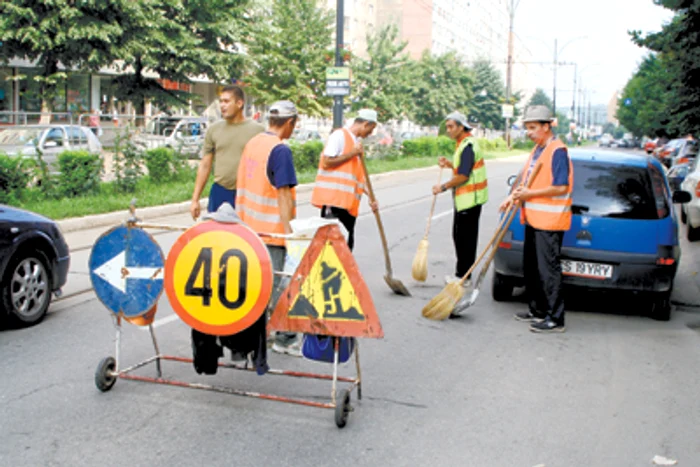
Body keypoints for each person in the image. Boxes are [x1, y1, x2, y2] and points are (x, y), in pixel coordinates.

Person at [499, 105, 573, 333]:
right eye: (527, 128)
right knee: (531, 268)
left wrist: (529, 195)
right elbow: (527, 179)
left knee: (548, 270)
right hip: (533, 219)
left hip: (549, 222)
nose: (529, 133)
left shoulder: (557, 150)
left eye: (533, 128)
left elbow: (560, 187)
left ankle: (555, 318)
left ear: (546, 126)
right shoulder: (538, 149)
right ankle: (537, 309)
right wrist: (513, 196)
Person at [236, 100, 301, 356]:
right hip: (271, 233)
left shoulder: (254, 143)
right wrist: (290, 234)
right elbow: (283, 194)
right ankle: (282, 340)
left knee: (253, 288)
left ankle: (249, 342)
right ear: (290, 123)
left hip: (247, 229)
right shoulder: (280, 150)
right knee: (279, 286)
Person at [190, 85, 264, 220]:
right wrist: (195, 199)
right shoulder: (214, 130)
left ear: (239, 103)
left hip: (247, 193)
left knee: (244, 237)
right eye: (221, 101)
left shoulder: (257, 131)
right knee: (218, 236)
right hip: (220, 191)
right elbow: (205, 165)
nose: (222, 105)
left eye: (226, 101)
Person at [432, 111, 488, 287]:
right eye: (447, 126)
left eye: (451, 126)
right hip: (465, 200)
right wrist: (449, 164)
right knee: (460, 237)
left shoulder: (468, 145)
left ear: (461, 127)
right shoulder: (463, 144)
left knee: (465, 240)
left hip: (470, 201)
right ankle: (463, 274)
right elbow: (462, 168)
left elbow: (463, 175)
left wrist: (443, 187)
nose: (448, 130)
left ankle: (463, 276)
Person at [310, 109, 379, 251]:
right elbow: (327, 162)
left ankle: (343, 273)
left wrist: (371, 197)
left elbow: (357, 177)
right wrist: (352, 153)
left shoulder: (355, 143)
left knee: (345, 248)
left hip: (347, 206)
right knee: (332, 248)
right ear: (365, 124)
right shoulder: (339, 136)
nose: (370, 134)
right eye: (370, 130)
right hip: (334, 203)